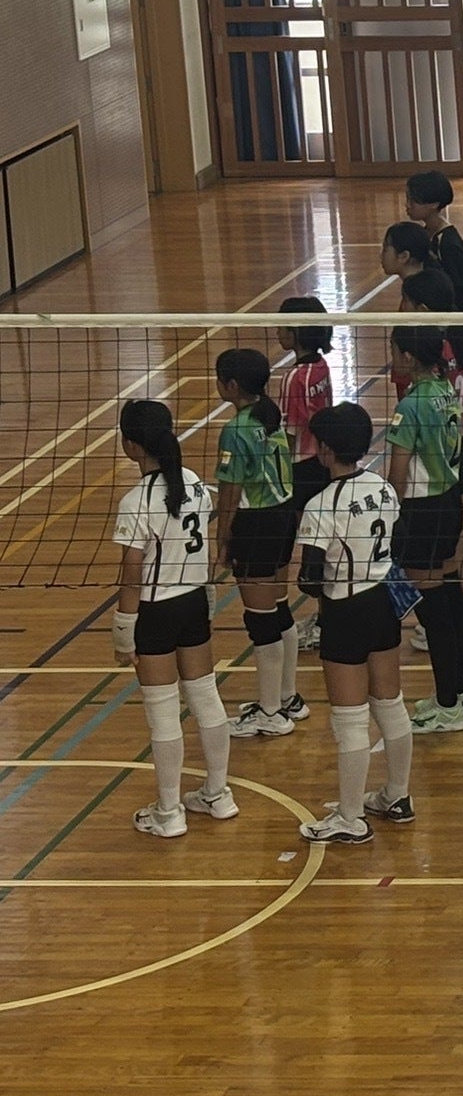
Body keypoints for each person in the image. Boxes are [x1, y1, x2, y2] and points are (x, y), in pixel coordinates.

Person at [292, 403, 413, 843]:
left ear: (326, 449)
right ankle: (397, 796)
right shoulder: (383, 488)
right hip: (383, 602)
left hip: (345, 609)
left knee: (350, 720)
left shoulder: (322, 505)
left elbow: (309, 579)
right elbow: (398, 542)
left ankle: (349, 817)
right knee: (390, 704)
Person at [113, 400, 231, 839]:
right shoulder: (195, 484)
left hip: (157, 611)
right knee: (205, 697)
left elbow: (131, 574)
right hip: (194, 602)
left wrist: (123, 635)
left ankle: (169, 812)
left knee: (163, 712)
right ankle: (218, 794)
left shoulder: (136, 501)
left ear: (130, 445)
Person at [389, 328, 463, 735]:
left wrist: (390, 513)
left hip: (421, 510)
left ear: (409, 356)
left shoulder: (411, 404)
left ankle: (447, 705)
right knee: (451, 594)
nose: (392, 358)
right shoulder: (445, 390)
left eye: (394, 351)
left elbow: (399, 470)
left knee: (432, 608)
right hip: (450, 501)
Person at [211, 349, 302, 738]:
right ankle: (287, 697)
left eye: (219, 379)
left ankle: (270, 713)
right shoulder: (269, 414)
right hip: (283, 515)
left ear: (232, 385)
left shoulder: (236, 429)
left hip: (256, 524)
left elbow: (230, 493)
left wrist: (222, 541)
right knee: (278, 608)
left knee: (260, 619)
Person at [277, 297, 335, 650]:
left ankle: (327, 623)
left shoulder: (293, 378)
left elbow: (289, 434)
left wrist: (276, 472)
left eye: (282, 325)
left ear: (295, 332)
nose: (277, 330)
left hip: (301, 469)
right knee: (325, 545)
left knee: (314, 550)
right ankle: (327, 617)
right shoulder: (322, 367)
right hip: (323, 465)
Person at [405, 170, 463, 311]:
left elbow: (460, 287)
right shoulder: (425, 234)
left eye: (412, 200)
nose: (407, 205)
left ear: (433, 204)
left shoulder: (448, 243)